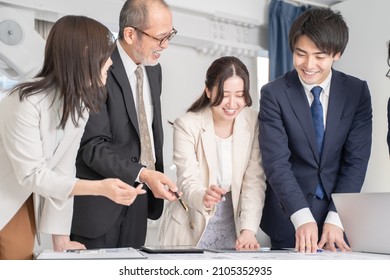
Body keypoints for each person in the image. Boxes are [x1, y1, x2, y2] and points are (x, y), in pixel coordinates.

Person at [0, 15, 145, 260]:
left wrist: (61, 240)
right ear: (85, 54)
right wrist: (100, 188)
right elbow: (32, 174)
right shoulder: (24, 101)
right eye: (105, 54)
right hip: (10, 195)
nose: (110, 61)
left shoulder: (79, 107)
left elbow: (64, 171)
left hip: (23, 196)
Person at [259, 8, 372, 253]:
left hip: (338, 221)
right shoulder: (273, 94)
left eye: (320, 56)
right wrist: (301, 216)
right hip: (288, 218)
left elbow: (356, 161)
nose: (309, 65)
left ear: (337, 54)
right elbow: (276, 162)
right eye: (301, 54)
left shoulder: (357, 93)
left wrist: (336, 217)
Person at [71, 0, 179, 249]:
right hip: (98, 207)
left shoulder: (154, 71)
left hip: (140, 199)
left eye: (169, 36)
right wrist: (142, 173)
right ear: (130, 34)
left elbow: (147, 132)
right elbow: (92, 146)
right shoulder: (98, 66)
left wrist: (148, 177)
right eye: (160, 38)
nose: (165, 46)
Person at [158, 56, 267, 250]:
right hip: (191, 222)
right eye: (224, 95)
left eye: (240, 95)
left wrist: (248, 230)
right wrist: (203, 196)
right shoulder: (187, 124)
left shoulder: (253, 121)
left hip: (234, 221)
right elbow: (187, 180)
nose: (232, 103)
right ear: (208, 91)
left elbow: (254, 181)